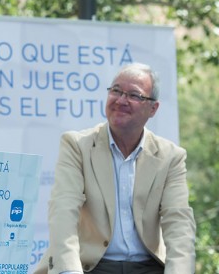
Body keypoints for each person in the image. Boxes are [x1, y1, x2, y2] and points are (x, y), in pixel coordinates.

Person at [34, 63, 196, 274]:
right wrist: (70, 271)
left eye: (134, 95)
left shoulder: (170, 157)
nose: (121, 100)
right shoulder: (77, 145)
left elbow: (179, 223)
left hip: (148, 266)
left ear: (153, 109)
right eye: (116, 91)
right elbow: (63, 210)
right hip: (91, 266)